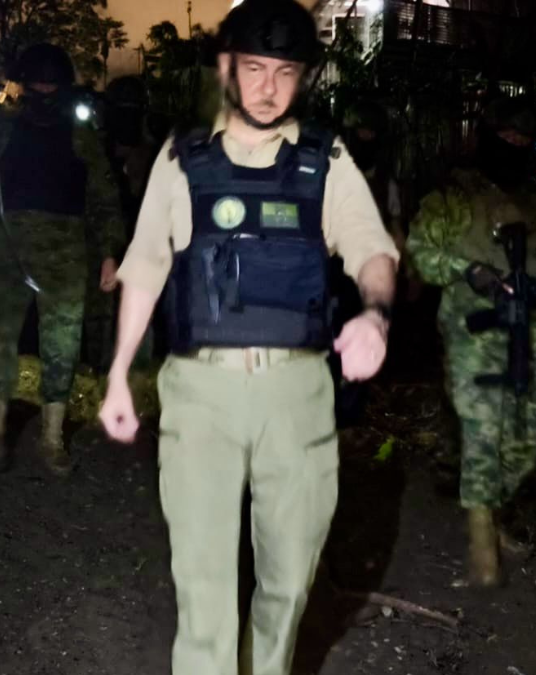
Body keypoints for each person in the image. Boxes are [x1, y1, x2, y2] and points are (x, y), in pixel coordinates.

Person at [98, 1, 399, 672]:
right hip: (200, 390)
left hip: (297, 393)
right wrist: (119, 373)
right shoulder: (183, 160)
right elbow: (145, 266)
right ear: (227, 68)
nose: (269, 86)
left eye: (285, 71)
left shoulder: (327, 160)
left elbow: (372, 250)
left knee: (290, 580)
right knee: (203, 585)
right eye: (254, 68)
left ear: (304, 77)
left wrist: (375, 313)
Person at [405, 95, 536, 587]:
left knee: (523, 444)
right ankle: (482, 544)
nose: (515, 148)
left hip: (532, 334)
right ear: (487, 139)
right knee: (483, 436)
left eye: (523, 142)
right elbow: (420, 253)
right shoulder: (454, 197)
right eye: (506, 139)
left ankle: (495, 517)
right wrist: (471, 272)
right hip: (473, 336)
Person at [0, 43, 124, 474]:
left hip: (66, 251)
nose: (45, 91)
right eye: (38, 83)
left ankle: (51, 438)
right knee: (1, 341)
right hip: (7, 247)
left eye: (52, 84)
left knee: (62, 345)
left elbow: (104, 197)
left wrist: (110, 253)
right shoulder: (5, 130)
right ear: (25, 85)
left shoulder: (83, 135)